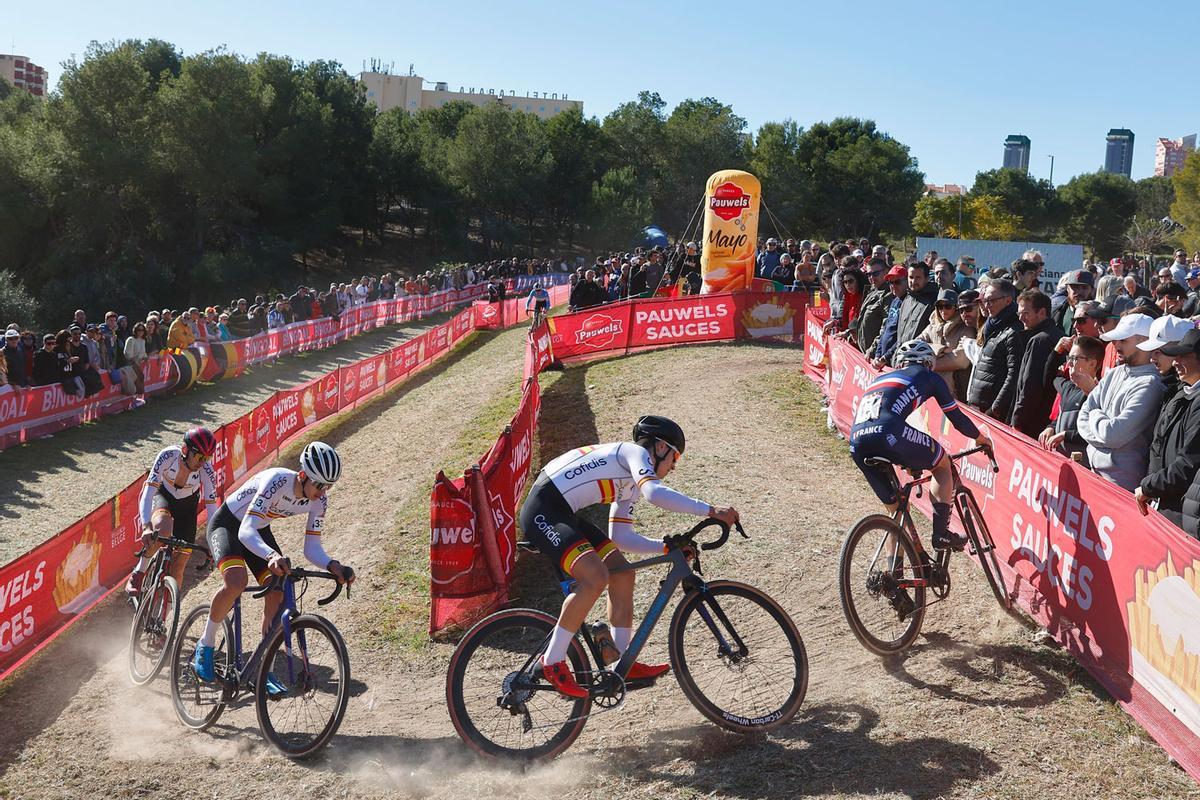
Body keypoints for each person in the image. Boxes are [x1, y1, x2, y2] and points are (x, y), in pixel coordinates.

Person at [518, 416, 738, 698]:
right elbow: (655, 494)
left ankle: (622, 662)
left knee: (622, 572)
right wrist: (711, 510)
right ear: (660, 447)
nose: (674, 466)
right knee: (595, 576)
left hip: (563, 513)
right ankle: (551, 662)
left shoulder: (630, 483)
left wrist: (665, 548)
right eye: (675, 457)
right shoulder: (633, 453)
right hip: (543, 511)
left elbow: (620, 537)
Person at [191, 442, 355, 689]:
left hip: (257, 529)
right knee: (236, 582)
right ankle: (205, 645)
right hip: (228, 525)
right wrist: (271, 555)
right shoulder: (277, 481)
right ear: (303, 475)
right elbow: (245, 531)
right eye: (319, 485)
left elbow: (311, 548)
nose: (323, 492)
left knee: (277, 591)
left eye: (328, 486)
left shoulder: (319, 502)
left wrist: (332, 565)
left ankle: (262, 667)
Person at [850, 340, 994, 573]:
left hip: (857, 441)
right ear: (928, 363)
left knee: (896, 512)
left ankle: (893, 578)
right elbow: (957, 419)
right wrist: (981, 439)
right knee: (942, 464)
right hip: (888, 431)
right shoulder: (929, 376)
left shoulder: (881, 378)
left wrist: (906, 458)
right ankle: (940, 534)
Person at [125, 428, 220, 599]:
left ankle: (169, 610)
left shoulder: (206, 471)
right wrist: (146, 526)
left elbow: (212, 508)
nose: (203, 463)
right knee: (163, 529)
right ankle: (139, 573)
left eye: (207, 458)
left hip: (187, 508)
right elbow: (148, 492)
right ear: (185, 450)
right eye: (199, 457)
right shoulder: (168, 456)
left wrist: (214, 541)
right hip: (164, 497)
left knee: (179, 566)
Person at [1076, 313, 1164, 491]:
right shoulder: (1115, 373)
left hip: (1121, 484)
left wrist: (1095, 413)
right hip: (1094, 471)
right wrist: (1103, 434)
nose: (1116, 345)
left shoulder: (1150, 384)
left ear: (1143, 340)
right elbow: (1081, 419)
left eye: (1123, 340)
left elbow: (1113, 435)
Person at [1135, 323, 1200, 523]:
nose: (1175, 362)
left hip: (1184, 514)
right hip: (1165, 503)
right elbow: (1157, 446)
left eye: (1183, 356)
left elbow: (1188, 463)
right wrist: (1151, 486)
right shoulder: (1178, 392)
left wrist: (1149, 487)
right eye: (1175, 356)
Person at [1039, 335, 1105, 466]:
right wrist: (1051, 427)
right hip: (1060, 463)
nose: (1069, 363)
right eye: (1069, 358)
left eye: (1074, 359)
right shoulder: (1068, 388)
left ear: (1092, 363)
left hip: (1084, 467)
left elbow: (1099, 434)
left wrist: (1066, 435)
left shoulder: (1101, 396)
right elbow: (1049, 377)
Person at [1009, 290, 1066, 438]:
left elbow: (1030, 384)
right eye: (1019, 313)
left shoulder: (1040, 340)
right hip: (1047, 418)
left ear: (1042, 312)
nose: (1021, 318)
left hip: (1033, 421)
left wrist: (1018, 420)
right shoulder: (1058, 335)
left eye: (1025, 313)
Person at [966, 280, 1025, 420]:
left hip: (993, 413)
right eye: (985, 301)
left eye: (991, 301)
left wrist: (995, 409)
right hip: (979, 407)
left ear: (1008, 300)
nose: (986, 306)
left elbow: (1014, 374)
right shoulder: (992, 327)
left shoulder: (1014, 331)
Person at [918, 289, 971, 399]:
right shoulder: (931, 327)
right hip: (929, 388)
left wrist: (927, 362)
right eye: (939, 306)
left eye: (947, 306)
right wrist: (940, 349)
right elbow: (915, 346)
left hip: (955, 392)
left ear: (956, 307)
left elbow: (961, 361)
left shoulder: (966, 328)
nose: (943, 310)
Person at [868, 265, 909, 366]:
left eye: (897, 282)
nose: (893, 286)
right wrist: (878, 354)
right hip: (883, 359)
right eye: (890, 282)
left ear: (907, 281)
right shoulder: (894, 301)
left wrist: (885, 357)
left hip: (894, 360)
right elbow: (885, 330)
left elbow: (902, 337)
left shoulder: (908, 303)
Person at [123, 322, 149, 394]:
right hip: (131, 365)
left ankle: (139, 397)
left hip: (140, 364)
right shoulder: (131, 339)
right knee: (135, 382)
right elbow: (127, 354)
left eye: (142, 330)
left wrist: (146, 358)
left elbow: (143, 352)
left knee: (141, 379)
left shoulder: (143, 340)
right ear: (135, 330)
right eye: (138, 330)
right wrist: (134, 362)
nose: (140, 332)